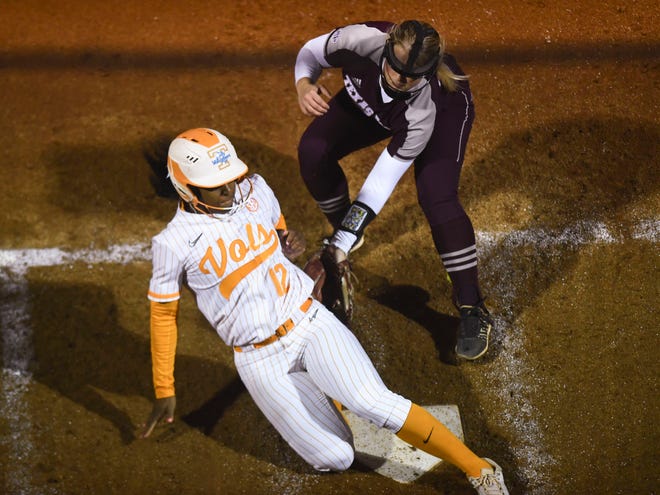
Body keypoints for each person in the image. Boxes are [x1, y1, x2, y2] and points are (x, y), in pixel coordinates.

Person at [140, 128, 510, 494]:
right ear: (187, 188)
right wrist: (164, 388)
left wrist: (288, 242)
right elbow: (162, 315)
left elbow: (279, 230)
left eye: (231, 179)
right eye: (217, 185)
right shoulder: (173, 244)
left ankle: (478, 469)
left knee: (372, 403)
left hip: (307, 322)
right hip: (258, 360)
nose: (230, 189)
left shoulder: (254, 190)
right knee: (334, 457)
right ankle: (333, 392)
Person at [294, 20, 493, 360]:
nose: (400, 79)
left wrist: (337, 246)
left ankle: (472, 307)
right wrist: (303, 85)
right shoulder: (359, 42)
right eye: (395, 68)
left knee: (436, 195)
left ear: (428, 73)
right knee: (312, 149)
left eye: (411, 75)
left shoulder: (424, 109)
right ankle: (348, 228)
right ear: (385, 50)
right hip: (374, 104)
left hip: (443, 115)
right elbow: (311, 52)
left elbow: (380, 183)